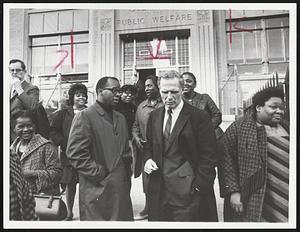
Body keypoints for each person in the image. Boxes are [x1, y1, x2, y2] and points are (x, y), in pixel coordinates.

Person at [144, 70, 219, 221]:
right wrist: (147, 159)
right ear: (159, 90)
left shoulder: (199, 117)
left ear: (182, 89)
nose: (169, 97)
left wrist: (198, 187)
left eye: (174, 92)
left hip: (189, 195)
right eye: (165, 92)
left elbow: (209, 156)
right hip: (160, 192)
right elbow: (149, 146)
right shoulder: (154, 116)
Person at [66, 76, 134, 221]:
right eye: (114, 90)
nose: (118, 94)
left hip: (120, 189)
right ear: (100, 91)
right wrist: (100, 174)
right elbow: (75, 154)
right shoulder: (85, 116)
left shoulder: (120, 118)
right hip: (97, 189)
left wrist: (126, 174)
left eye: (119, 91)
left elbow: (125, 151)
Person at [221, 87, 289, 222]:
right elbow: (226, 161)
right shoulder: (238, 128)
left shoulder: (288, 127)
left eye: (282, 108)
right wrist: (233, 191)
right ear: (258, 107)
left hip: (285, 192)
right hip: (252, 195)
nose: (279, 111)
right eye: (273, 107)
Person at [181, 71, 226, 197]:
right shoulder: (178, 101)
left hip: (212, 140)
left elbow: (217, 115)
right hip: (189, 143)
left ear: (195, 84)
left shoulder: (204, 98)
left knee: (208, 170)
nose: (186, 83)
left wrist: (206, 130)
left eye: (189, 81)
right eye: (183, 81)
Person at [49, 83, 88, 221]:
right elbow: (53, 130)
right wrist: (64, 143)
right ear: (72, 97)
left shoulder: (90, 112)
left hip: (86, 155)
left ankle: (85, 213)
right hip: (68, 155)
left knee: (86, 184)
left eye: (83, 95)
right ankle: (69, 213)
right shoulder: (63, 113)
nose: (81, 97)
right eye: (78, 95)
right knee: (70, 184)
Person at [132, 75, 164, 220]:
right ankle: (148, 207)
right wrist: (137, 138)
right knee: (147, 181)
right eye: (145, 86)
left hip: (163, 150)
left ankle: (160, 207)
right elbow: (135, 126)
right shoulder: (141, 106)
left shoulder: (164, 105)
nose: (146, 89)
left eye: (150, 85)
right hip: (145, 150)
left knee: (162, 178)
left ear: (158, 86)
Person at [10, 110, 62, 195]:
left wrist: (32, 174)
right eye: (21, 126)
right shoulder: (12, 149)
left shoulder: (45, 146)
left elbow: (57, 174)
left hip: (40, 199)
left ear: (34, 126)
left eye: (29, 126)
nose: (26, 129)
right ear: (14, 129)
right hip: (17, 197)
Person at [9, 59, 49, 142]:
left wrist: (19, 89)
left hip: (22, 136)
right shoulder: (7, 89)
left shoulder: (32, 89)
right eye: (12, 70)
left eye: (18, 70)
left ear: (24, 71)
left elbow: (33, 107)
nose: (15, 72)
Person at [115, 84, 137, 191]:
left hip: (128, 142)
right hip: (114, 142)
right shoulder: (114, 107)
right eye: (126, 93)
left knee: (128, 171)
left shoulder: (134, 108)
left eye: (131, 94)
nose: (129, 95)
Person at [10, 150, 38, 220]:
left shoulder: (12, 157)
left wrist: (33, 173)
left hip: (41, 197)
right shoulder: (13, 150)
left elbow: (57, 172)